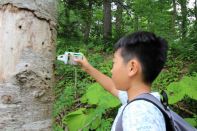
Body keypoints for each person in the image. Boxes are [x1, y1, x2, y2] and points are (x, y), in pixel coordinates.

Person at [74, 31, 168, 131]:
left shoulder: (139, 115)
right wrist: (87, 67)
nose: (111, 70)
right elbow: (112, 87)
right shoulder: (143, 100)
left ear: (132, 68)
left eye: (114, 62)